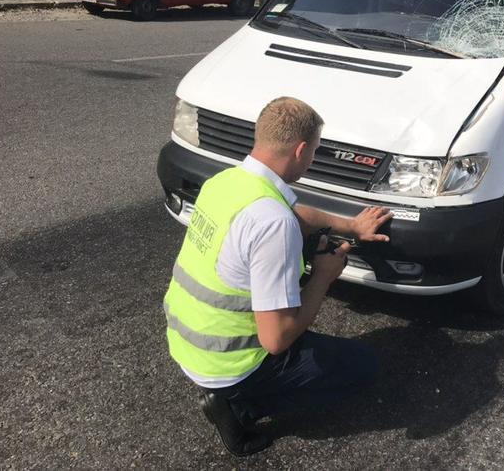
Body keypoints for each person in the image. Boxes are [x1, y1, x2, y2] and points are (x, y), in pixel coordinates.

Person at [163, 97, 391, 456]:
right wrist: (323, 276)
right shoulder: (273, 224)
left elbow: (296, 213)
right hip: (229, 363)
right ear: (301, 150)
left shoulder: (226, 183)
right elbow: (276, 339)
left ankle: (234, 395)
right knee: (364, 367)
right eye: (314, 151)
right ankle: (239, 408)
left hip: (187, 341)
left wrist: (352, 226)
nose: (312, 159)